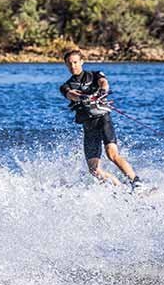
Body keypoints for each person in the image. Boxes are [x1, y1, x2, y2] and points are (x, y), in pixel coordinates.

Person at [59, 48, 141, 187]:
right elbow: (70, 94)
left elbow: (104, 82)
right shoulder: (65, 86)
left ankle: (136, 182)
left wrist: (102, 90)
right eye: (69, 63)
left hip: (103, 119)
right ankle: (121, 188)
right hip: (88, 125)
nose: (73, 66)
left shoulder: (95, 75)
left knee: (112, 154)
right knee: (94, 170)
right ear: (66, 65)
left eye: (75, 62)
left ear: (82, 62)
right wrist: (81, 97)